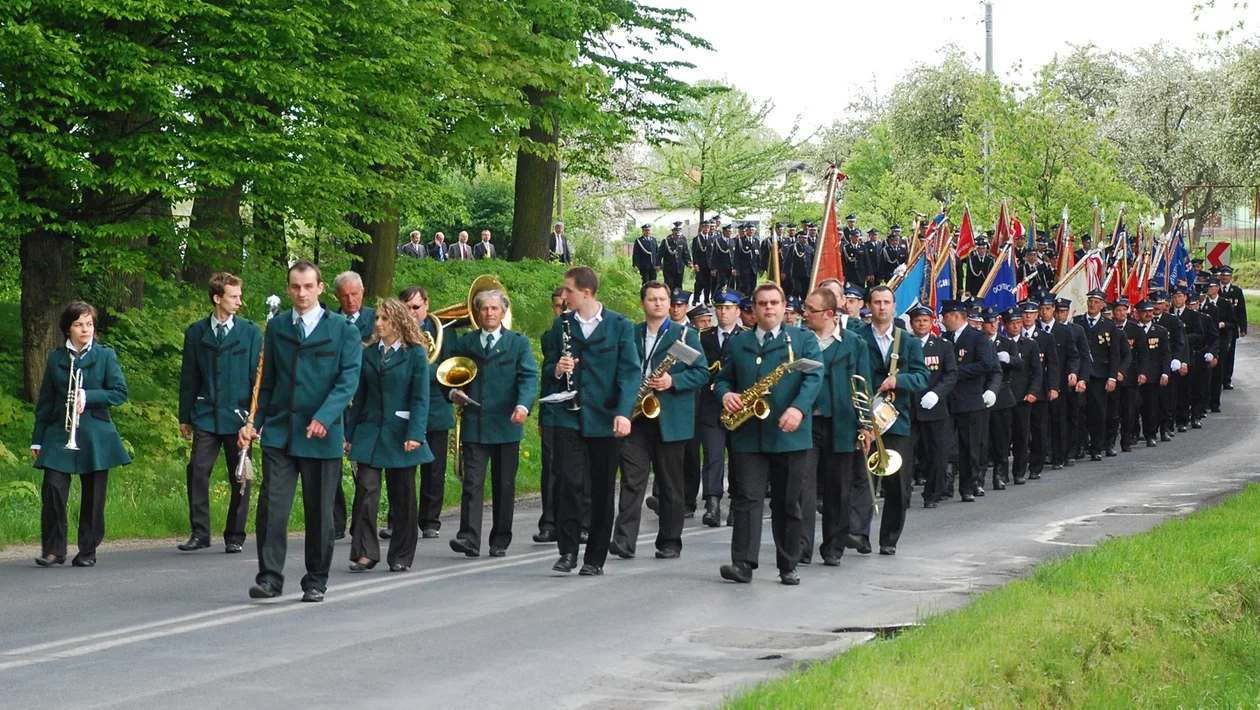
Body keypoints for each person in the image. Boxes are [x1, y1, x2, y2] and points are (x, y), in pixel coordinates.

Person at [240, 261, 362, 602]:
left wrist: (325, 416)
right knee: (272, 507)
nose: (301, 293)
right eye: (295, 286)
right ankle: (269, 578)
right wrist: (254, 423)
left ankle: (315, 580)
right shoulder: (277, 326)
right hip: (282, 431)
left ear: (320, 288)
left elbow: (348, 379)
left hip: (322, 436)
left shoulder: (342, 329)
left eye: (308, 286)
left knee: (320, 512)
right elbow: (267, 382)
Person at [714, 282, 823, 585]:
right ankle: (743, 564)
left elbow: (814, 378)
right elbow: (723, 379)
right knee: (746, 499)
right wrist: (725, 395)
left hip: (789, 434)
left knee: (788, 501)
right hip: (748, 433)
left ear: (784, 305)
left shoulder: (803, 340)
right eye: (762, 303)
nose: (769, 308)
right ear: (754, 308)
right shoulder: (739, 342)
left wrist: (799, 409)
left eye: (775, 302)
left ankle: (788, 564)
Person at [545, 266, 640, 576]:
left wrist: (624, 413)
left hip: (605, 418)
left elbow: (629, 373)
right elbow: (547, 372)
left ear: (585, 292)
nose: (563, 295)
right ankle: (568, 551)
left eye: (568, 291)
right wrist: (558, 370)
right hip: (569, 416)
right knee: (568, 484)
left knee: (601, 489)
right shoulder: (561, 326)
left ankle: (594, 558)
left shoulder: (619, 326)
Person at [610, 282, 708, 560]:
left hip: (670, 418)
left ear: (669, 304)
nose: (658, 303)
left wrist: (672, 380)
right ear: (642, 303)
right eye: (652, 299)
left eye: (662, 299)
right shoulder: (630, 333)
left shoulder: (686, 335)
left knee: (670, 483)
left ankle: (669, 541)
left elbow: (702, 373)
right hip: (636, 417)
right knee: (631, 480)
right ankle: (624, 541)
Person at [31, 301, 131, 567]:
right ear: (68, 328)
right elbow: (46, 401)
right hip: (59, 432)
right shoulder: (55, 358)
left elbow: (119, 393)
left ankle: (87, 550)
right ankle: (54, 550)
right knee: (53, 486)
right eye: (78, 324)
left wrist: (90, 396)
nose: (85, 329)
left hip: (95, 433)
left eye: (89, 324)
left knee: (94, 495)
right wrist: (38, 437)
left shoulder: (106, 356)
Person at [446, 288, 538, 558]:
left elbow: (529, 378)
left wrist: (523, 406)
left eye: (494, 309)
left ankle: (500, 540)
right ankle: (469, 539)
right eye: (484, 308)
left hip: (507, 425)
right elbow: (448, 374)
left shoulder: (518, 343)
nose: (489, 313)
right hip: (476, 424)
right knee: (472, 483)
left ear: (503, 312)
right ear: (478, 312)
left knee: (504, 485)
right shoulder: (465, 343)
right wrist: (452, 393)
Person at [177, 272, 262, 554]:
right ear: (217, 298)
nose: (239, 301)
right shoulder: (196, 332)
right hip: (205, 414)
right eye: (233, 296)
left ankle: (235, 534)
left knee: (241, 476)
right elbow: (188, 377)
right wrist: (184, 416)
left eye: (239, 295)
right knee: (197, 470)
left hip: (239, 419)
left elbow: (258, 379)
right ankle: (200, 532)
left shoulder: (250, 332)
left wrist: (255, 420)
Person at [345, 299, 432, 572]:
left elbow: (420, 398)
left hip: (401, 433)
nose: (378, 323)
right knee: (366, 492)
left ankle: (401, 555)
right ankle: (365, 553)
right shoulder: (368, 353)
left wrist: (416, 433)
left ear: (397, 321)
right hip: (370, 432)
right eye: (377, 318)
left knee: (403, 496)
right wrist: (349, 434)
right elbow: (359, 398)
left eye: (384, 319)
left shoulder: (415, 353)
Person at [854, 286, 927, 555]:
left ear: (894, 307)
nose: (882, 307)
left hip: (895, 421)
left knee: (896, 482)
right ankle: (859, 535)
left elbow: (921, 377)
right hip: (863, 417)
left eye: (887, 302)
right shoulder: (856, 337)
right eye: (877, 302)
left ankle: (889, 539)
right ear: (869, 306)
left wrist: (899, 380)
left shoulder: (907, 341)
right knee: (862, 479)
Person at [800, 287, 870, 566]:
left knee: (838, 489)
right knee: (802, 487)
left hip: (842, 423)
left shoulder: (854, 343)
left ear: (829, 314)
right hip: (805, 422)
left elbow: (863, 386)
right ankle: (801, 547)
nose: (804, 314)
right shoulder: (799, 340)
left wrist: (865, 425)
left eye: (810, 310)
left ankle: (833, 547)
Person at [399, 285, 454, 540]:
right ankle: (398, 519)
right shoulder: (393, 331)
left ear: (427, 305)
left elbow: (450, 367)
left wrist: (421, 373)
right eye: (407, 308)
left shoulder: (442, 331)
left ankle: (430, 521)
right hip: (403, 409)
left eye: (416, 307)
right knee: (401, 468)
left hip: (436, 407)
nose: (411, 313)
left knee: (434, 468)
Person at [332, 271, 376, 539]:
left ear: (363, 292)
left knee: (363, 469)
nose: (350, 300)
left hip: (366, 402)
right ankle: (336, 524)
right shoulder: (331, 321)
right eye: (345, 295)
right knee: (332, 467)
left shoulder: (377, 319)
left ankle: (361, 523)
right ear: (337, 296)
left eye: (355, 294)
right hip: (337, 403)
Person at [942, 299, 998, 502]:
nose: (942, 320)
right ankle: (943, 485)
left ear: (956, 316)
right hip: (947, 400)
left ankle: (968, 485)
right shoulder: (944, 338)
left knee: (969, 447)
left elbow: (985, 364)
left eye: (945, 316)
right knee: (945, 445)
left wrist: (954, 373)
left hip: (970, 399)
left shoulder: (977, 337)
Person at [697, 288, 743, 527]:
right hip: (710, 405)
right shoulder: (702, 336)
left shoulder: (746, 336)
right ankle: (712, 503)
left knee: (737, 457)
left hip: (737, 405)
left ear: (737, 311)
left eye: (728, 308)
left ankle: (736, 504)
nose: (723, 312)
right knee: (713, 456)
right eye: (720, 308)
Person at [907, 305, 956, 507]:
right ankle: (902, 496)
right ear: (911, 323)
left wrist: (937, 393)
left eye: (925, 320)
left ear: (932, 323)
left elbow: (951, 373)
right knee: (906, 455)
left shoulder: (943, 346)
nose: (921, 323)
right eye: (917, 320)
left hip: (934, 407)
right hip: (908, 408)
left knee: (937, 454)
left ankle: (932, 495)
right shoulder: (903, 344)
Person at [1074, 290, 1124, 461]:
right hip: (1082, 373)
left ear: (1103, 305)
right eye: (1090, 301)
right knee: (1080, 410)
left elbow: (1114, 354)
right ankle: (1080, 445)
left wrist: (1112, 377)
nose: (1093, 305)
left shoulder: (1109, 325)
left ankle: (1096, 446)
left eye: (1096, 302)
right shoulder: (1078, 322)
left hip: (1100, 374)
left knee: (1098, 411)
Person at [1021, 299, 1060, 478]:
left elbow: (1052, 364)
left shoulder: (1046, 337)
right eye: (1024, 313)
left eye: (1031, 313)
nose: (1028, 317)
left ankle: (1036, 465)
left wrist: (1053, 387)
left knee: (1038, 428)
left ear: (1036, 316)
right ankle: (1019, 466)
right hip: (1018, 389)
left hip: (1039, 390)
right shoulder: (1011, 336)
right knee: (1020, 429)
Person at [1004, 308, 1042, 486]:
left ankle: (1019, 471)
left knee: (1021, 436)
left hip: (1022, 397)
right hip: (1003, 396)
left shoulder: (1030, 344)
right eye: (1012, 323)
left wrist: (1033, 392)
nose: (1016, 326)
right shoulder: (1000, 344)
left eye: (1018, 323)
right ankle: (1001, 472)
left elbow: (1036, 371)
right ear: (1005, 325)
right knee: (1002, 436)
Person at [983, 308, 1019, 489]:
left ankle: (1000, 474)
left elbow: (1020, 363)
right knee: (982, 439)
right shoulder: (979, 342)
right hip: (981, 395)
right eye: (987, 322)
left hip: (1002, 395)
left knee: (1002, 439)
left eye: (993, 322)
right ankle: (979, 478)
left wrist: (1010, 359)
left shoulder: (1006, 343)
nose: (991, 325)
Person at [1133, 300, 1170, 447]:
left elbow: (1165, 355)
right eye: (1144, 311)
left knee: (1151, 407)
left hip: (1153, 376)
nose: (1148, 314)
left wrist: (1165, 373)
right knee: (1133, 407)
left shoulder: (1160, 331)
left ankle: (1150, 434)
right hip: (1134, 375)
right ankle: (1133, 434)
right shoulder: (1132, 330)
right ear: (1137, 313)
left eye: (1150, 311)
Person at [1200, 278, 1235, 412]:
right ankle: (1204, 401)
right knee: (1204, 375)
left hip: (1220, 342)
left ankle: (1214, 402)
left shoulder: (1224, 304)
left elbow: (1233, 323)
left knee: (1217, 374)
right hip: (1206, 343)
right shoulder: (1201, 305)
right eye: (1207, 287)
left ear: (1217, 288)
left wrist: (1224, 324)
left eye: (1211, 286)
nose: (1209, 289)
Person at [1110, 298, 1140, 453]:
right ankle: (1110, 441)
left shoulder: (1135, 329)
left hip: (1129, 376)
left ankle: (1126, 439)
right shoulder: (1109, 328)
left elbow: (1142, 353)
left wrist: (1142, 373)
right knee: (1113, 411)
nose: (1121, 313)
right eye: (1118, 310)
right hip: (1111, 376)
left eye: (1123, 310)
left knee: (1128, 411)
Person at [1218, 266, 1246, 390]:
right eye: (1222, 275)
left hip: (1231, 327)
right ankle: (1217, 379)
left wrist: (1243, 327)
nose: (1224, 277)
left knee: (1230, 355)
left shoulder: (1236, 291)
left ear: (1231, 277)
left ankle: (1227, 380)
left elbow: (1241, 311)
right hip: (1217, 327)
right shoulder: (1215, 289)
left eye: (1227, 275)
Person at [660, 222, 692, 292]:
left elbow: (685, 253)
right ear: (673, 234)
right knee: (670, 285)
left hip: (679, 267)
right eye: (676, 235)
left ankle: (678, 301)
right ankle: (669, 300)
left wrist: (688, 262)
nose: (678, 237)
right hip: (669, 268)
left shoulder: (682, 240)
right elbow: (660, 254)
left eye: (679, 235)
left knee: (679, 286)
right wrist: (657, 264)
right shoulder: (666, 241)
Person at [691, 221, 713, 305]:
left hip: (709, 265)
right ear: (702, 227)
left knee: (708, 283)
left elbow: (713, 253)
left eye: (708, 227)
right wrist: (695, 263)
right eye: (705, 227)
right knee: (699, 282)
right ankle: (695, 299)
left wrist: (713, 265)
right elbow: (694, 252)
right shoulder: (697, 239)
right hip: (700, 264)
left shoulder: (711, 238)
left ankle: (707, 300)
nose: (707, 229)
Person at [710, 224, 737, 294]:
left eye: (730, 232)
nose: (730, 233)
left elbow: (734, 255)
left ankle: (730, 298)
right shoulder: (718, 241)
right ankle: (716, 298)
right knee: (722, 283)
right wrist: (713, 268)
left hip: (731, 266)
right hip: (721, 267)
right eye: (728, 231)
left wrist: (735, 267)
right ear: (724, 232)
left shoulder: (732, 241)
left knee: (731, 284)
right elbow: (714, 255)